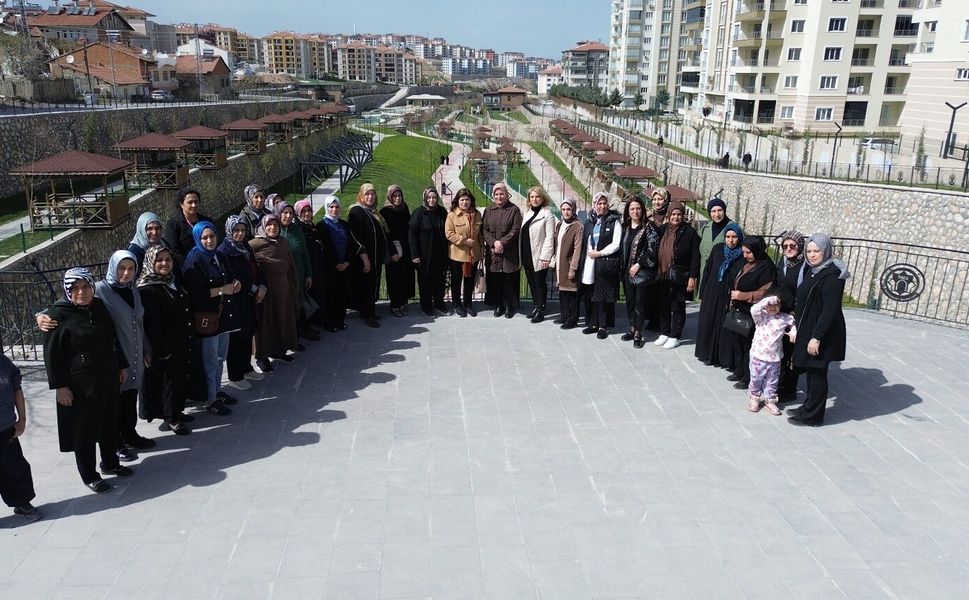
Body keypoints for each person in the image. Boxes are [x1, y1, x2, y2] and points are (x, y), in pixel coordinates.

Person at [44, 268, 132, 494]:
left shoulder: (98, 307)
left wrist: (121, 365)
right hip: (79, 385)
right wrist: (60, 387)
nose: (81, 292)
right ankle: (90, 475)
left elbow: (112, 337)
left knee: (108, 422)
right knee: (84, 431)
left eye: (85, 287)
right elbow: (52, 354)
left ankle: (110, 463)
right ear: (67, 290)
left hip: (107, 377)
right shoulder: (58, 315)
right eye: (75, 288)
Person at [95, 250, 154, 460]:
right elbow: (70, 304)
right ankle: (116, 443)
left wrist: (147, 349)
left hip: (135, 355)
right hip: (115, 360)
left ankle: (130, 435)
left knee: (130, 400)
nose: (126, 273)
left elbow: (140, 322)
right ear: (112, 267)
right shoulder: (99, 290)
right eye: (121, 268)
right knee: (114, 404)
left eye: (131, 269)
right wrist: (42, 316)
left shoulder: (132, 290)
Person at [787, 233, 849, 427]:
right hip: (808, 327)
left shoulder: (832, 276)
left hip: (821, 332)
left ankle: (813, 416)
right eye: (809, 251)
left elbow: (830, 311)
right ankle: (808, 407)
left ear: (826, 251)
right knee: (811, 371)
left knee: (817, 373)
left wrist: (817, 338)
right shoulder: (813, 270)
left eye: (817, 251)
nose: (812, 255)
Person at [181, 221, 242, 416]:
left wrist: (235, 282)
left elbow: (229, 275)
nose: (209, 240)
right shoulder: (194, 261)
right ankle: (210, 399)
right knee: (210, 360)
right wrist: (221, 290)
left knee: (220, 357)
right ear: (198, 239)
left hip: (223, 317)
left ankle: (216, 390)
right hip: (208, 319)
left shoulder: (219, 255)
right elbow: (195, 294)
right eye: (205, 238)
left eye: (212, 236)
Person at [137, 246, 197, 435]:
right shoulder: (147, 288)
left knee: (178, 377)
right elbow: (151, 324)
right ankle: (170, 417)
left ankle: (177, 410)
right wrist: (162, 349)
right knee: (167, 381)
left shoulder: (171, 281)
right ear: (150, 262)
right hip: (164, 344)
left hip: (180, 340)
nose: (164, 263)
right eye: (159, 260)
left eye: (168, 259)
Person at [219, 216, 267, 390]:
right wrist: (255, 289)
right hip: (236, 301)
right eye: (236, 230)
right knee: (236, 338)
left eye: (242, 230)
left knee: (248, 333)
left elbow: (256, 269)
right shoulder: (224, 251)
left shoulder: (245, 247)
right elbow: (233, 278)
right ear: (229, 231)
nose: (240, 234)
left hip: (250, 299)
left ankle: (246, 368)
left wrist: (262, 286)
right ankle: (235, 375)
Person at [724, 235, 777, 389]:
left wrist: (744, 296)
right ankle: (739, 370)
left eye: (748, 252)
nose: (745, 255)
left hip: (753, 313)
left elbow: (765, 292)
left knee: (748, 346)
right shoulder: (748, 262)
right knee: (738, 342)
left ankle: (749, 377)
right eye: (744, 252)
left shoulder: (766, 267)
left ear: (757, 251)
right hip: (740, 310)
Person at [249, 214, 300, 371]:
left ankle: (279, 351)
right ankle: (262, 357)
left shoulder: (283, 242)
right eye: (269, 225)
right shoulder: (254, 244)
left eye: (276, 225)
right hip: (266, 292)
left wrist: (293, 284)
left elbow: (290, 264)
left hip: (283, 289)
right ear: (263, 227)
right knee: (265, 324)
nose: (273, 228)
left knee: (282, 320)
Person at [695, 223, 744, 367]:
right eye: (728, 237)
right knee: (708, 322)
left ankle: (721, 357)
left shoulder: (742, 254)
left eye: (734, 237)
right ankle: (706, 354)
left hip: (728, 295)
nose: (731, 240)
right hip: (712, 291)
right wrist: (702, 291)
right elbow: (708, 270)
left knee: (723, 326)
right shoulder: (717, 249)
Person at [654, 201, 700, 350]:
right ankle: (664, 332)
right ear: (668, 215)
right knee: (663, 305)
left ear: (683, 215)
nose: (676, 217)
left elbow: (695, 257)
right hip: (663, 274)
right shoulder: (663, 229)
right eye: (673, 214)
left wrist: (692, 277)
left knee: (678, 306)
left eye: (679, 214)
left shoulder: (689, 232)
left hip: (680, 275)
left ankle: (675, 335)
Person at [317, 196, 367, 330]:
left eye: (336, 207)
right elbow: (324, 249)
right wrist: (334, 264)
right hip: (330, 268)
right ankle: (330, 322)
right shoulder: (322, 226)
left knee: (342, 294)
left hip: (344, 266)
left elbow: (351, 245)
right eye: (331, 207)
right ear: (326, 208)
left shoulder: (344, 224)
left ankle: (340, 319)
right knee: (331, 295)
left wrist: (347, 262)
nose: (334, 209)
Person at [0, 349, 39, 520]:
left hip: (6, 429)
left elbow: (17, 389)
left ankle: (22, 503)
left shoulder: (3, 363)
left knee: (15, 468)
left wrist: (22, 420)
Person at [348, 183, 393, 327]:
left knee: (372, 284)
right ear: (361, 195)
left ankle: (368, 310)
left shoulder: (373, 211)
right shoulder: (357, 211)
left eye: (372, 194)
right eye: (367, 194)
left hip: (375, 258)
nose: (370, 196)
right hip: (365, 259)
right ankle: (369, 315)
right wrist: (365, 258)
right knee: (366, 285)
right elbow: (356, 238)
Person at [580, 193, 622, 339]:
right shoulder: (590, 221)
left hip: (605, 264)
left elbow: (616, 244)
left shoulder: (614, 221)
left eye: (604, 203)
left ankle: (603, 326)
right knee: (592, 295)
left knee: (603, 296)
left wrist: (600, 253)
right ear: (594, 205)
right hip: (590, 264)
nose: (602, 206)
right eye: (599, 203)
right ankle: (593, 324)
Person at [747, 289, 796, 416]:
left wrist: (793, 332)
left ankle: (770, 399)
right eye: (770, 305)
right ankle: (754, 398)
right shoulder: (761, 316)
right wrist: (766, 301)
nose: (773, 308)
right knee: (756, 378)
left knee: (772, 380)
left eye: (776, 304)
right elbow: (754, 309)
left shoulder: (784, 318)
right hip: (758, 355)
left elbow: (793, 323)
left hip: (775, 357)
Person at [619, 196, 660, 347]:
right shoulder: (625, 227)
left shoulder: (649, 227)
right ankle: (631, 328)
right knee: (629, 302)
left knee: (639, 303)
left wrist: (639, 265)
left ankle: (638, 333)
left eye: (638, 208)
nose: (635, 211)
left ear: (642, 210)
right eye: (632, 209)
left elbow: (653, 251)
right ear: (628, 211)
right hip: (626, 272)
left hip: (640, 272)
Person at [276, 200, 317, 341]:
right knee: (288, 306)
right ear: (279, 214)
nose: (288, 216)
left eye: (290, 213)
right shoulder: (275, 229)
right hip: (283, 276)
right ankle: (290, 337)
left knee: (298, 303)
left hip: (298, 273)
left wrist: (308, 274)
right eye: (285, 213)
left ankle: (299, 332)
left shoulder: (296, 229)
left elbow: (304, 253)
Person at [482, 182, 523, 318]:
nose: (499, 197)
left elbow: (515, 229)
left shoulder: (514, 210)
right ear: (493, 195)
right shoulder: (489, 210)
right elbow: (485, 230)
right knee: (496, 279)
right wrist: (494, 243)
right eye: (496, 194)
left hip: (508, 252)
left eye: (502, 194)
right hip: (494, 252)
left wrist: (502, 243)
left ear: (506, 195)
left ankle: (509, 306)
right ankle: (498, 304)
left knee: (508, 279)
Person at [775, 230, 807, 402]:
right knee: (781, 350)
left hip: (797, 314)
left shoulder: (805, 266)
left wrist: (795, 312)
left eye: (792, 246)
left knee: (792, 353)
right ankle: (779, 384)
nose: (788, 249)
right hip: (782, 312)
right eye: (785, 246)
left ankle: (790, 389)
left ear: (800, 246)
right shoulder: (783, 262)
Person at [409, 186, 450, 316]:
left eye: (434, 197)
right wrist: (415, 255)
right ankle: (426, 306)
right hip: (424, 255)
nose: (432, 200)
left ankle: (439, 304)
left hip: (439, 254)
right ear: (425, 198)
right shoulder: (418, 213)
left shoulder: (442, 212)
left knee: (439, 281)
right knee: (425, 281)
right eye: (429, 197)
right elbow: (412, 235)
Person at [520, 186, 557, 323]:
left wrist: (545, 257)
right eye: (532, 197)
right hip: (527, 254)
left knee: (539, 283)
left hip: (539, 255)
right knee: (531, 282)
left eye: (537, 196)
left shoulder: (547, 214)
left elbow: (549, 237)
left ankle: (541, 310)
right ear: (529, 199)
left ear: (543, 198)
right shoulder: (527, 213)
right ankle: (536, 306)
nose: (534, 199)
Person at [445, 187, 483, 317]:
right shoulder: (452, 215)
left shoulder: (477, 214)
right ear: (457, 201)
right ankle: (456, 304)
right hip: (457, 255)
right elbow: (449, 234)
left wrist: (481, 250)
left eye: (467, 199)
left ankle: (468, 304)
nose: (465, 202)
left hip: (473, 255)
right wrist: (465, 241)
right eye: (462, 200)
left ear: (471, 201)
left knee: (469, 281)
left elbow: (480, 235)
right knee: (456, 281)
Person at [381, 184, 415, 316]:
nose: (397, 198)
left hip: (405, 248)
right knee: (394, 277)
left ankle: (402, 302)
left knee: (404, 277)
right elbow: (386, 234)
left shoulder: (404, 208)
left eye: (399, 195)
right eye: (394, 196)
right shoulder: (385, 212)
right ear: (390, 197)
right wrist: (392, 252)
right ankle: (395, 304)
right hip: (393, 250)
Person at [294, 199, 328, 328]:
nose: (307, 214)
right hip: (308, 269)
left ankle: (319, 321)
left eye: (308, 210)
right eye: (303, 211)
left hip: (318, 267)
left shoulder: (312, 226)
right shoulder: (299, 229)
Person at [163, 187, 214, 270]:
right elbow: (174, 250)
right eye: (190, 202)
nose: (194, 205)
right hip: (187, 267)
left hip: (208, 263)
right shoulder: (173, 224)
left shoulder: (206, 221)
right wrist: (191, 264)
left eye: (196, 202)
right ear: (181, 204)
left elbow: (214, 242)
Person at [554, 199, 584, 330]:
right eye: (564, 209)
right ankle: (564, 316)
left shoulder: (578, 226)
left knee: (572, 293)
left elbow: (578, 249)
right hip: (560, 263)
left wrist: (573, 268)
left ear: (573, 210)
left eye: (569, 209)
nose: (566, 212)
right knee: (562, 292)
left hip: (569, 264)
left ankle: (572, 320)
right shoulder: (560, 224)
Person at [697, 197, 731, 290]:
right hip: (705, 272)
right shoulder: (706, 228)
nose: (717, 214)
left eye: (720, 210)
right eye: (713, 211)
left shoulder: (732, 228)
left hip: (723, 273)